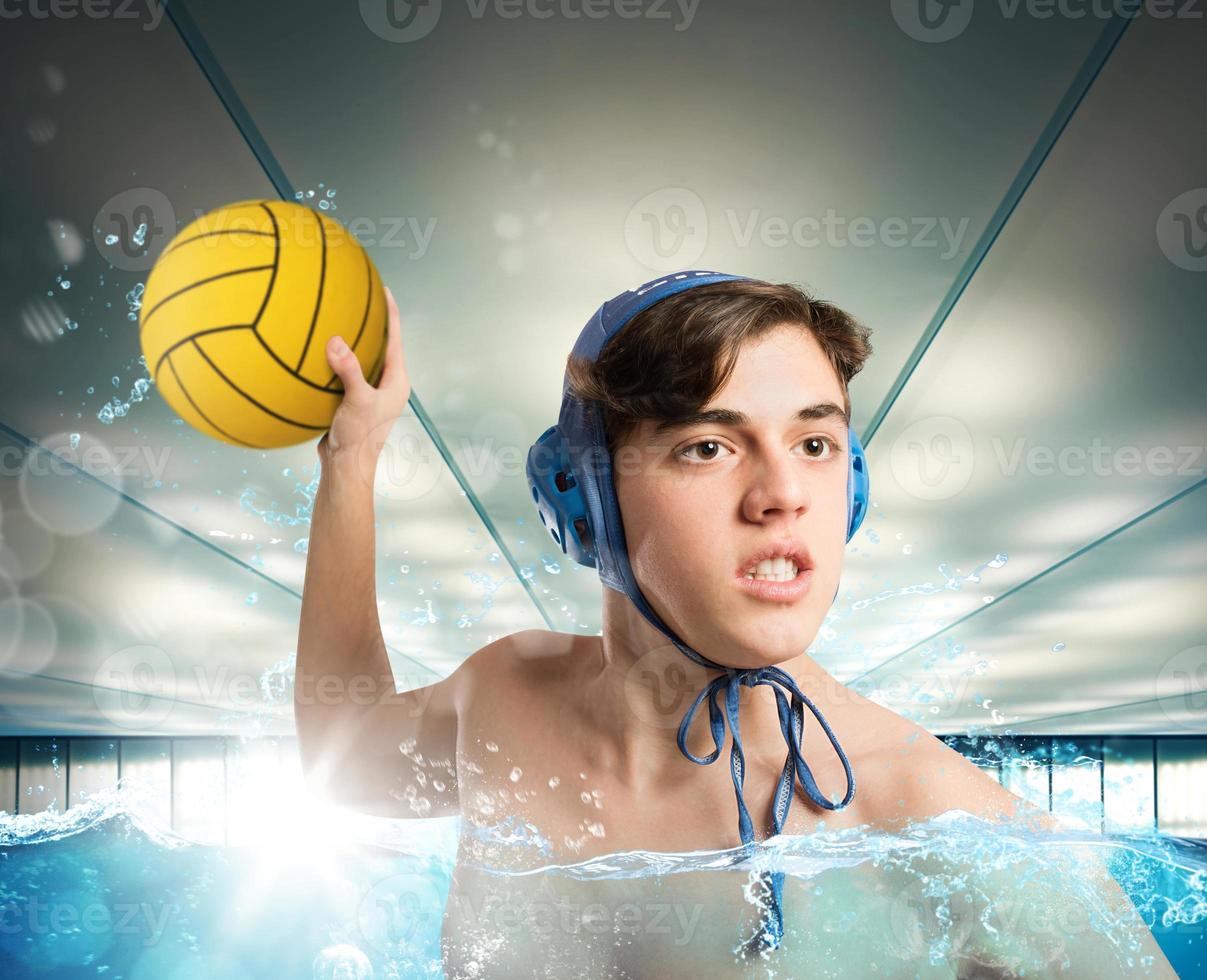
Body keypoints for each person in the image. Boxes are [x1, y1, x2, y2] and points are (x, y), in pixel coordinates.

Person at [295, 274, 1176, 977]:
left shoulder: (936, 823)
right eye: (707, 446)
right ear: (586, 496)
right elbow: (343, 759)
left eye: (814, 444)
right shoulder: (501, 695)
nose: (782, 494)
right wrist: (352, 456)